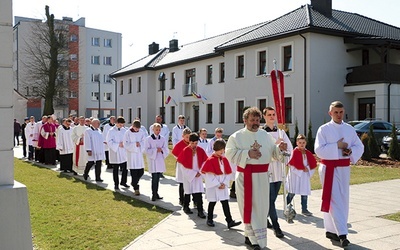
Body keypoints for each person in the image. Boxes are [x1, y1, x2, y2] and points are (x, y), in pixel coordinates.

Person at [225, 107, 287, 250]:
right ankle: (253, 240)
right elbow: (229, 154)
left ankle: (255, 237)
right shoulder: (236, 136)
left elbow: (274, 152)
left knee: (261, 208)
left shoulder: (265, 135)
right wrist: (247, 154)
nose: (255, 123)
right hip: (245, 176)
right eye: (252, 120)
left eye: (257, 120)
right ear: (245, 120)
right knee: (248, 207)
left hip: (263, 177)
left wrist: (280, 149)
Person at [315, 101, 363, 247]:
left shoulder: (349, 129)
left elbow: (359, 145)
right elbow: (319, 150)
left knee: (343, 198)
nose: (338, 115)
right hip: (328, 168)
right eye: (335, 112)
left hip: (343, 168)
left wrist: (350, 151)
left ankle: (331, 229)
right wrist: (337, 146)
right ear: (330, 113)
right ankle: (342, 233)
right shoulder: (324, 129)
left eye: (341, 112)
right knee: (334, 198)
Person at [262, 106, 293, 238]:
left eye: (273, 114)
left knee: (272, 199)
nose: (271, 117)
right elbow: (262, 150)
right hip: (267, 169)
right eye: (269, 114)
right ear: (264, 116)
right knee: (270, 200)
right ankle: (276, 226)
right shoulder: (261, 132)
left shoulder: (281, 132)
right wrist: (276, 144)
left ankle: (263, 218)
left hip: (278, 169)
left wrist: (283, 149)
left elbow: (289, 150)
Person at [201, 139, 242, 229]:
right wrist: (218, 184)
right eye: (220, 150)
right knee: (212, 202)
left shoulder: (224, 160)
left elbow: (228, 173)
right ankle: (210, 219)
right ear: (215, 149)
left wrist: (224, 183)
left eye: (223, 150)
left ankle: (229, 221)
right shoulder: (210, 160)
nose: (222, 151)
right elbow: (209, 176)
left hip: (223, 184)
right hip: (214, 186)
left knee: (225, 203)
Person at [176, 132, 207, 218]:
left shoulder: (200, 150)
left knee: (198, 192)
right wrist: (191, 174)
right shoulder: (185, 150)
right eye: (192, 143)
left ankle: (200, 210)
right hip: (188, 174)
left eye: (196, 143)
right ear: (189, 142)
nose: (194, 145)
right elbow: (181, 164)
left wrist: (200, 172)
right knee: (188, 191)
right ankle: (186, 206)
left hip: (198, 174)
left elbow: (205, 162)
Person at [286, 134, 317, 216]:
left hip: (304, 176)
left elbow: (312, 164)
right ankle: (286, 206)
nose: (302, 144)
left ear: (305, 143)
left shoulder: (308, 153)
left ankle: (304, 209)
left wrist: (307, 169)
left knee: (304, 192)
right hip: (295, 176)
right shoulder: (294, 153)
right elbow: (292, 165)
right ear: (297, 143)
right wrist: (300, 169)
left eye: (303, 142)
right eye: (300, 142)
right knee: (292, 192)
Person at [145, 123, 169, 201]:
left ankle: (156, 193)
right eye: (156, 130)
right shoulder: (149, 139)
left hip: (160, 160)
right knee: (154, 178)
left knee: (158, 178)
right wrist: (155, 150)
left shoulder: (162, 139)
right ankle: (153, 194)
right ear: (153, 130)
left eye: (159, 130)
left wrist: (162, 150)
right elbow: (146, 150)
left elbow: (166, 149)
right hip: (153, 160)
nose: (158, 131)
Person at [124, 120, 146, 195]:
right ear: (133, 126)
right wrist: (134, 144)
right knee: (134, 172)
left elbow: (144, 141)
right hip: (132, 155)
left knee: (141, 171)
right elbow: (125, 144)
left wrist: (140, 144)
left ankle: (134, 182)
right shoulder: (128, 133)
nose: (137, 130)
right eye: (136, 128)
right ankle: (136, 188)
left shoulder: (141, 132)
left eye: (138, 129)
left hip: (139, 155)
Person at [107, 116, 129, 190]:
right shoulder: (111, 131)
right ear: (116, 123)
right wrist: (117, 145)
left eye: (122, 125)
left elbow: (127, 139)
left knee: (125, 168)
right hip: (115, 151)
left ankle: (123, 182)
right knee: (115, 169)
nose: (121, 126)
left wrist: (124, 144)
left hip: (123, 152)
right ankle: (116, 184)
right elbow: (109, 141)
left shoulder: (125, 130)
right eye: (120, 124)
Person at [171, 127, 192, 205]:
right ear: (183, 136)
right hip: (181, 165)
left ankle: (189, 199)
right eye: (186, 137)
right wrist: (181, 159)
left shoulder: (191, 144)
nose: (188, 138)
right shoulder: (179, 144)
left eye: (189, 137)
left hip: (190, 166)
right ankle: (181, 199)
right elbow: (174, 154)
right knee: (182, 183)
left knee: (190, 182)